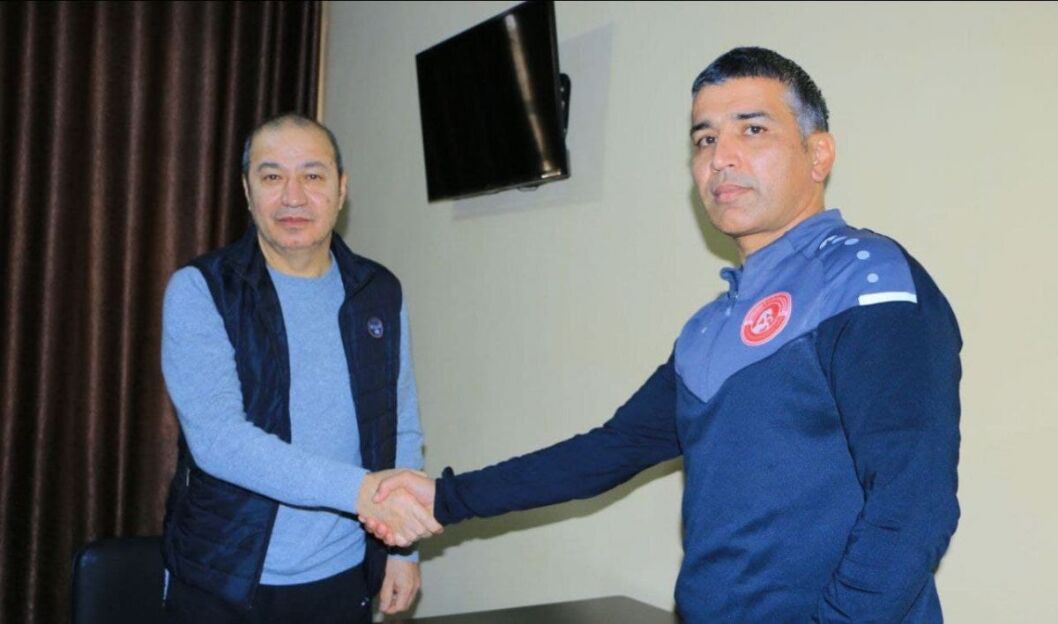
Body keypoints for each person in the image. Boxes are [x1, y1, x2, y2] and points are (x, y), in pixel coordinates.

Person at [364, 47, 962, 622]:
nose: (721, 157)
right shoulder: (709, 328)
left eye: (752, 130)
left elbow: (912, 507)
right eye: (705, 139)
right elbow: (609, 450)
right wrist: (443, 498)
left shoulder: (868, 280)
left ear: (818, 154)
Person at [160, 113, 442, 624]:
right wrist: (363, 494)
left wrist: (403, 550)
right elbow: (220, 441)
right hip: (224, 579)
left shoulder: (377, 292)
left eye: (313, 175)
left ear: (341, 189)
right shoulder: (201, 290)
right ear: (247, 191)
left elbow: (399, 425)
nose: (293, 197)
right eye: (272, 176)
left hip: (343, 578)